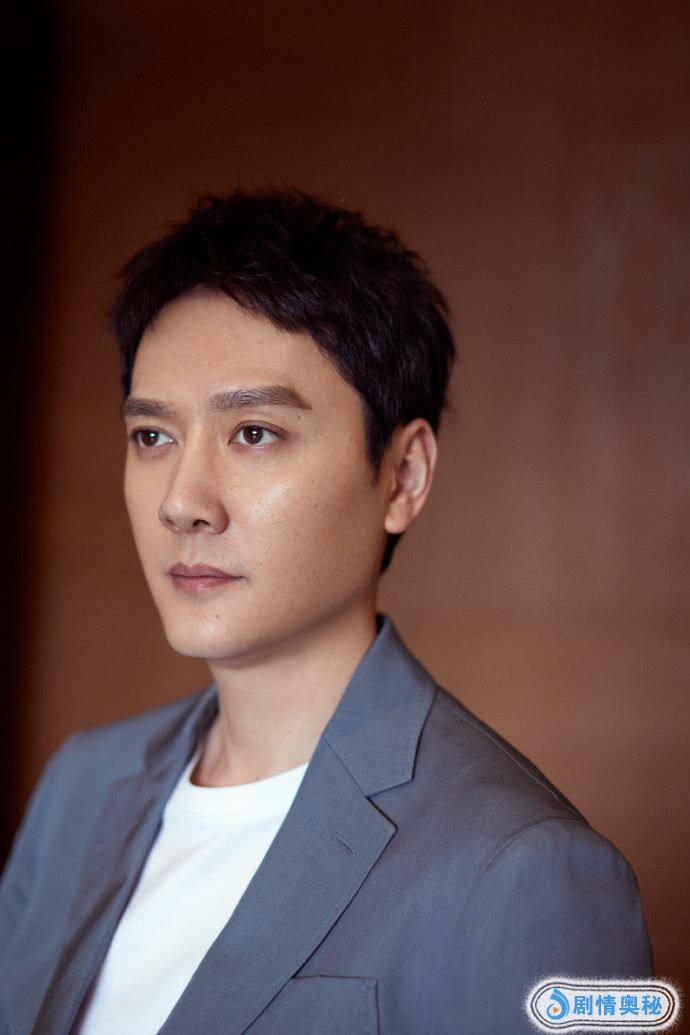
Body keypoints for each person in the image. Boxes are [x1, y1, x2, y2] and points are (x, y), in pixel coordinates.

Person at [0, 189, 651, 1035]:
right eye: (153, 436)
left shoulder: (524, 870)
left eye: (254, 433)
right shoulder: (81, 787)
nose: (182, 503)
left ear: (403, 476)